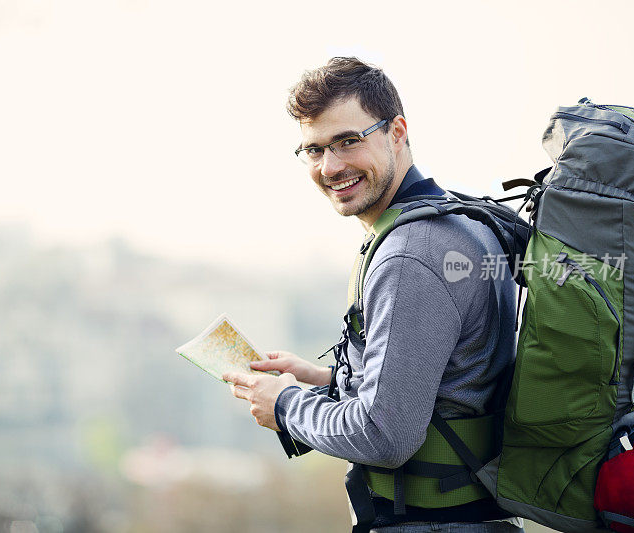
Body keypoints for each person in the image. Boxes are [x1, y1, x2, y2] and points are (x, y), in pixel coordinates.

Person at [223, 57, 521, 533]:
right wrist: (324, 380)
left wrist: (286, 405)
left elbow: (386, 435)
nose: (331, 166)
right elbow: (450, 384)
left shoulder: (410, 255)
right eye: (314, 150)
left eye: (347, 141)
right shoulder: (457, 223)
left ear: (397, 131)